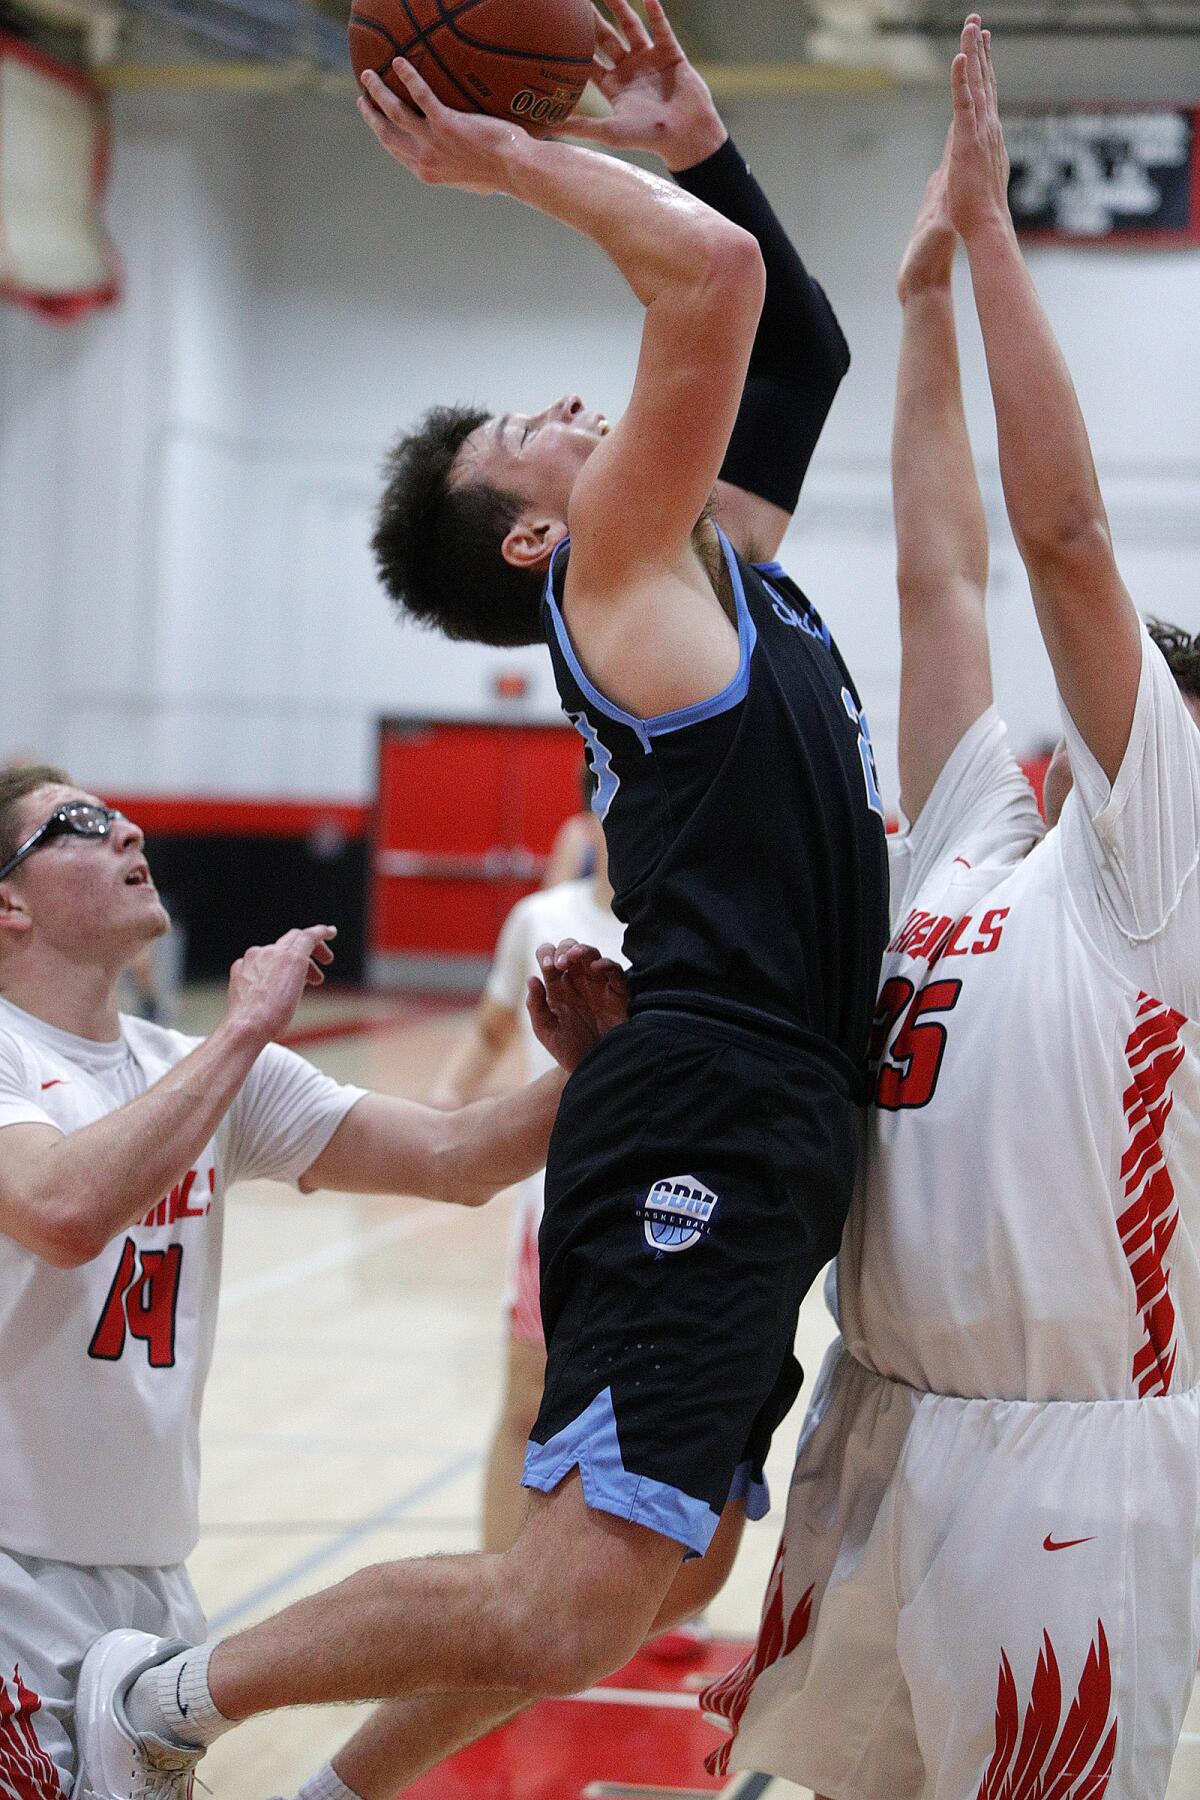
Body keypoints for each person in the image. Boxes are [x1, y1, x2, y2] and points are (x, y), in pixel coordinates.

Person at [74, 4, 889, 1795]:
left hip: (772, 1093)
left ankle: (344, 1785)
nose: (585, 410)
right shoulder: (618, 574)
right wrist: (505, 156)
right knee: (560, 1601)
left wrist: (696, 136)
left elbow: (797, 347)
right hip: (714, 1097)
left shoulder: (701, 562)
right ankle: (158, 1695)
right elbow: (715, 289)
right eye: (542, 427)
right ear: (538, 536)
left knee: (656, 1580)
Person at [702, 21, 1200, 1798]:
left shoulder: (1171, 871)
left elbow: (1060, 541)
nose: (1095, 697)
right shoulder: (983, 847)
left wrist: (995, 242)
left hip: (1064, 1458)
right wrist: (917, 305)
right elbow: (942, 573)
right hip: (882, 1417)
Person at [0, 762, 623, 1800]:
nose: (127, 831)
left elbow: (457, 1156)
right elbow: (63, 1211)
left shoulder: (186, 1067)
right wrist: (244, 1031)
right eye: (79, 824)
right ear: (7, 901)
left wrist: (603, 1064)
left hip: (149, 1583)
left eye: (121, 814)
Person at [429, 783, 624, 1554]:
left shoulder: (696, 924)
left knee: (655, 1411)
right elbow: (489, 1029)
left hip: (667, 1210)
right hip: (559, 1207)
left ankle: (667, 1597)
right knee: (525, 1406)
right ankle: (493, 1583)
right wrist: (444, 1107)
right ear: (589, 817)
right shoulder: (543, 920)